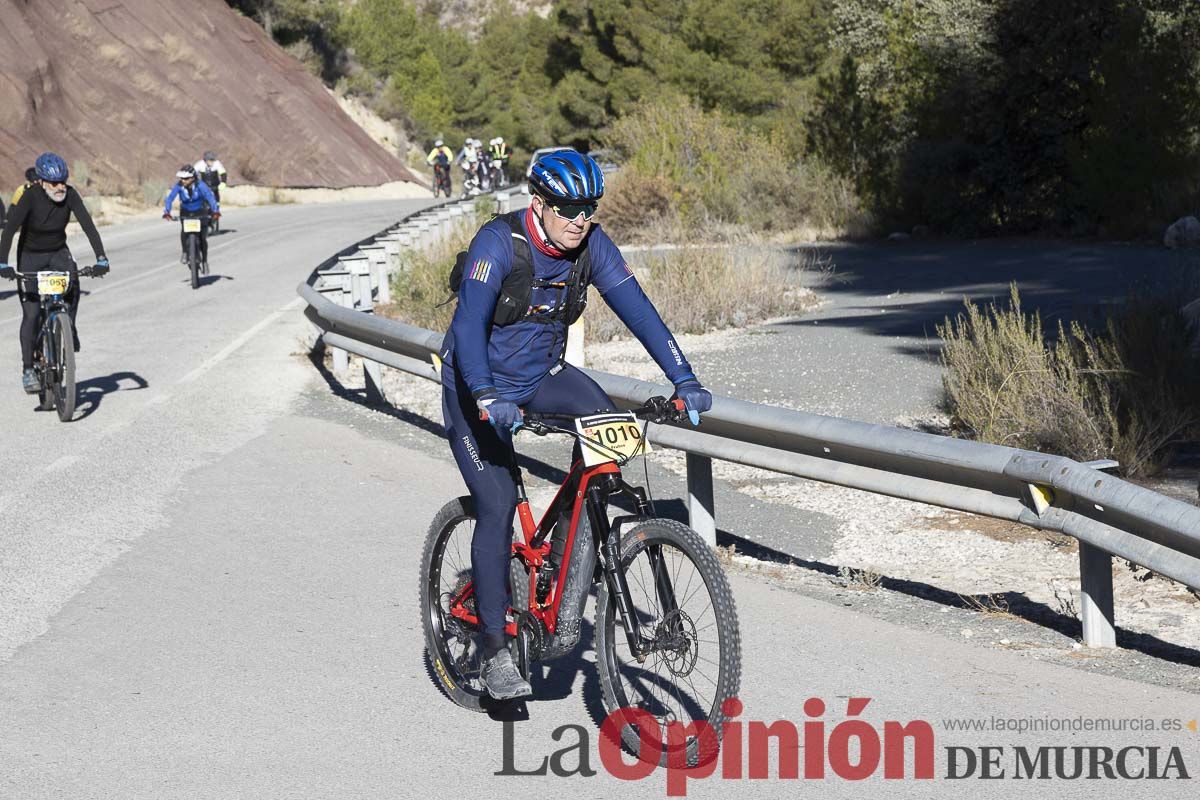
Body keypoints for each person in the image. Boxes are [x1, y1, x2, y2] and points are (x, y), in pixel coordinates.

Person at [438, 149, 713, 699]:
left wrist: (683, 378)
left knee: (607, 440)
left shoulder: (591, 245)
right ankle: (494, 651)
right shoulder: (500, 244)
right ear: (538, 204)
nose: (580, 221)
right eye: (569, 210)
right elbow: (469, 328)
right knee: (494, 505)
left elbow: (639, 310)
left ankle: (562, 570)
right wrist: (488, 395)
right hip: (476, 388)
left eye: (589, 209)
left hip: (542, 378)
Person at [0, 152, 110, 393]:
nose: (60, 187)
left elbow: (88, 225)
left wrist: (101, 257)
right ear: (41, 181)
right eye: (54, 183)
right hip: (30, 257)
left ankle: (68, 326)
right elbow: (9, 231)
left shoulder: (70, 194)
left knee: (73, 284)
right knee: (31, 314)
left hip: (57, 252)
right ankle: (28, 369)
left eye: (63, 181)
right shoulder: (30, 196)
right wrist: (3, 264)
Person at [162, 165, 219, 268]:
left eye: (186, 178)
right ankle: (184, 252)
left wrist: (215, 211)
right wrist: (167, 212)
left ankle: (205, 261)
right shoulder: (179, 186)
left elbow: (210, 197)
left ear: (193, 177)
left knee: (202, 238)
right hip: (185, 212)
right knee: (184, 231)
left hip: (200, 212)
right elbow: (170, 198)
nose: (183, 180)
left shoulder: (201, 185)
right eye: (182, 178)